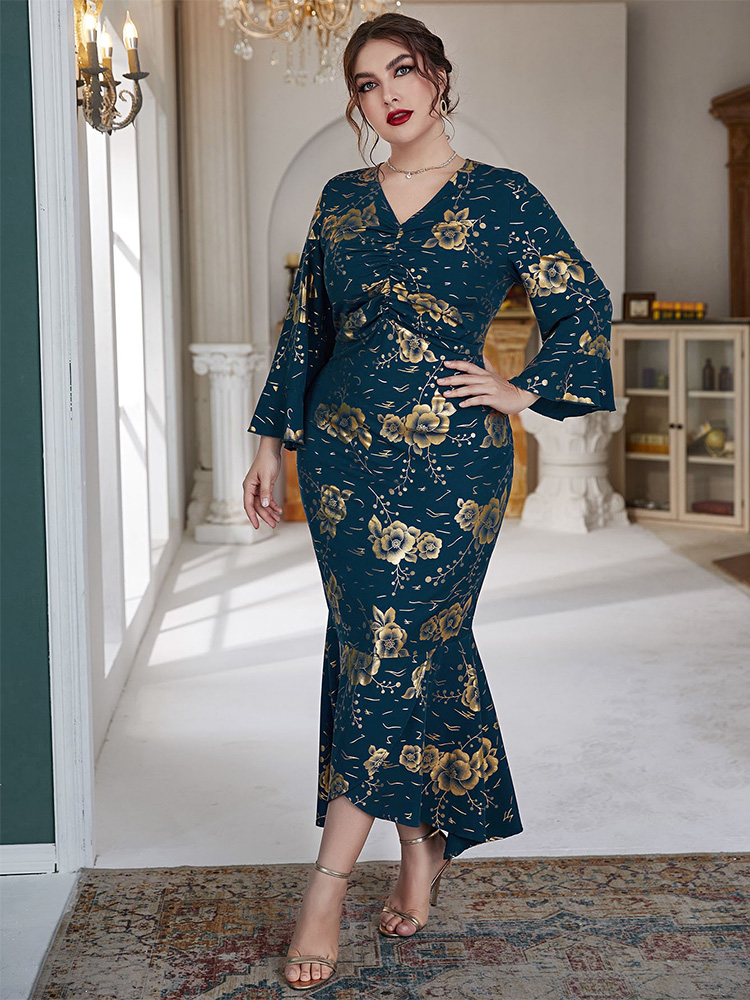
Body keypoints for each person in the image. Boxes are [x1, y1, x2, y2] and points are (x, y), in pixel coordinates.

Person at [243, 11, 615, 991]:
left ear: (439, 75)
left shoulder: (502, 196)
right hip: (340, 463)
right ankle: (422, 842)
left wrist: (521, 390)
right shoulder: (340, 199)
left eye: (402, 71)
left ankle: (326, 886)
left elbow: (582, 300)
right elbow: (304, 329)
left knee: (391, 649)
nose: (388, 95)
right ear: (357, 104)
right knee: (389, 649)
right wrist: (268, 443)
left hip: (454, 465)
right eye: (366, 84)